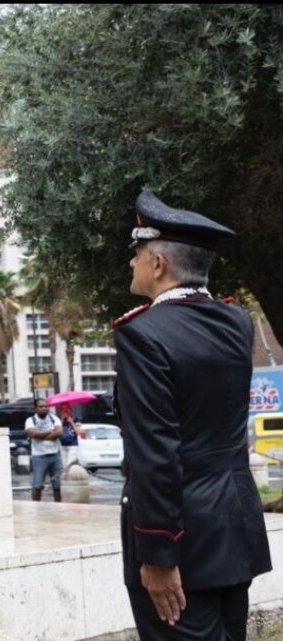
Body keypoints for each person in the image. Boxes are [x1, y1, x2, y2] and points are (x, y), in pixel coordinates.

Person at [113, 191, 271, 640]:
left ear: (159, 263)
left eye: (138, 252)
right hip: (234, 525)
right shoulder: (236, 322)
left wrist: (158, 552)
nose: (132, 262)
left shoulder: (143, 335)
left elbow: (155, 454)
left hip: (183, 541)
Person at [25, 398, 62, 502]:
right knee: (37, 485)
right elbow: (33, 434)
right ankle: (36, 507)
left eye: (46, 406)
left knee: (57, 485)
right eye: (41, 406)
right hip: (39, 456)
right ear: (36, 408)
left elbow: (59, 433)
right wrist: (50, 432)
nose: (44, 408)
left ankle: (58, 506)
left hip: (55, 455)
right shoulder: (30, 420)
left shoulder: (54, 418)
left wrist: (40, 435)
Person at [57, 402, 82, 468]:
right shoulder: (58, 420)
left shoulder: (76, 419)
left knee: (70, 465)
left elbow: (78, 432)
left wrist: (72, 422)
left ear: (70, 410)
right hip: (62, 445)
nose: (65, 411)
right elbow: (57, 432)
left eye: (67, 408)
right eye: (63, 409)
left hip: (72, 445)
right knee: (64, 465)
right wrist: (61, 421)